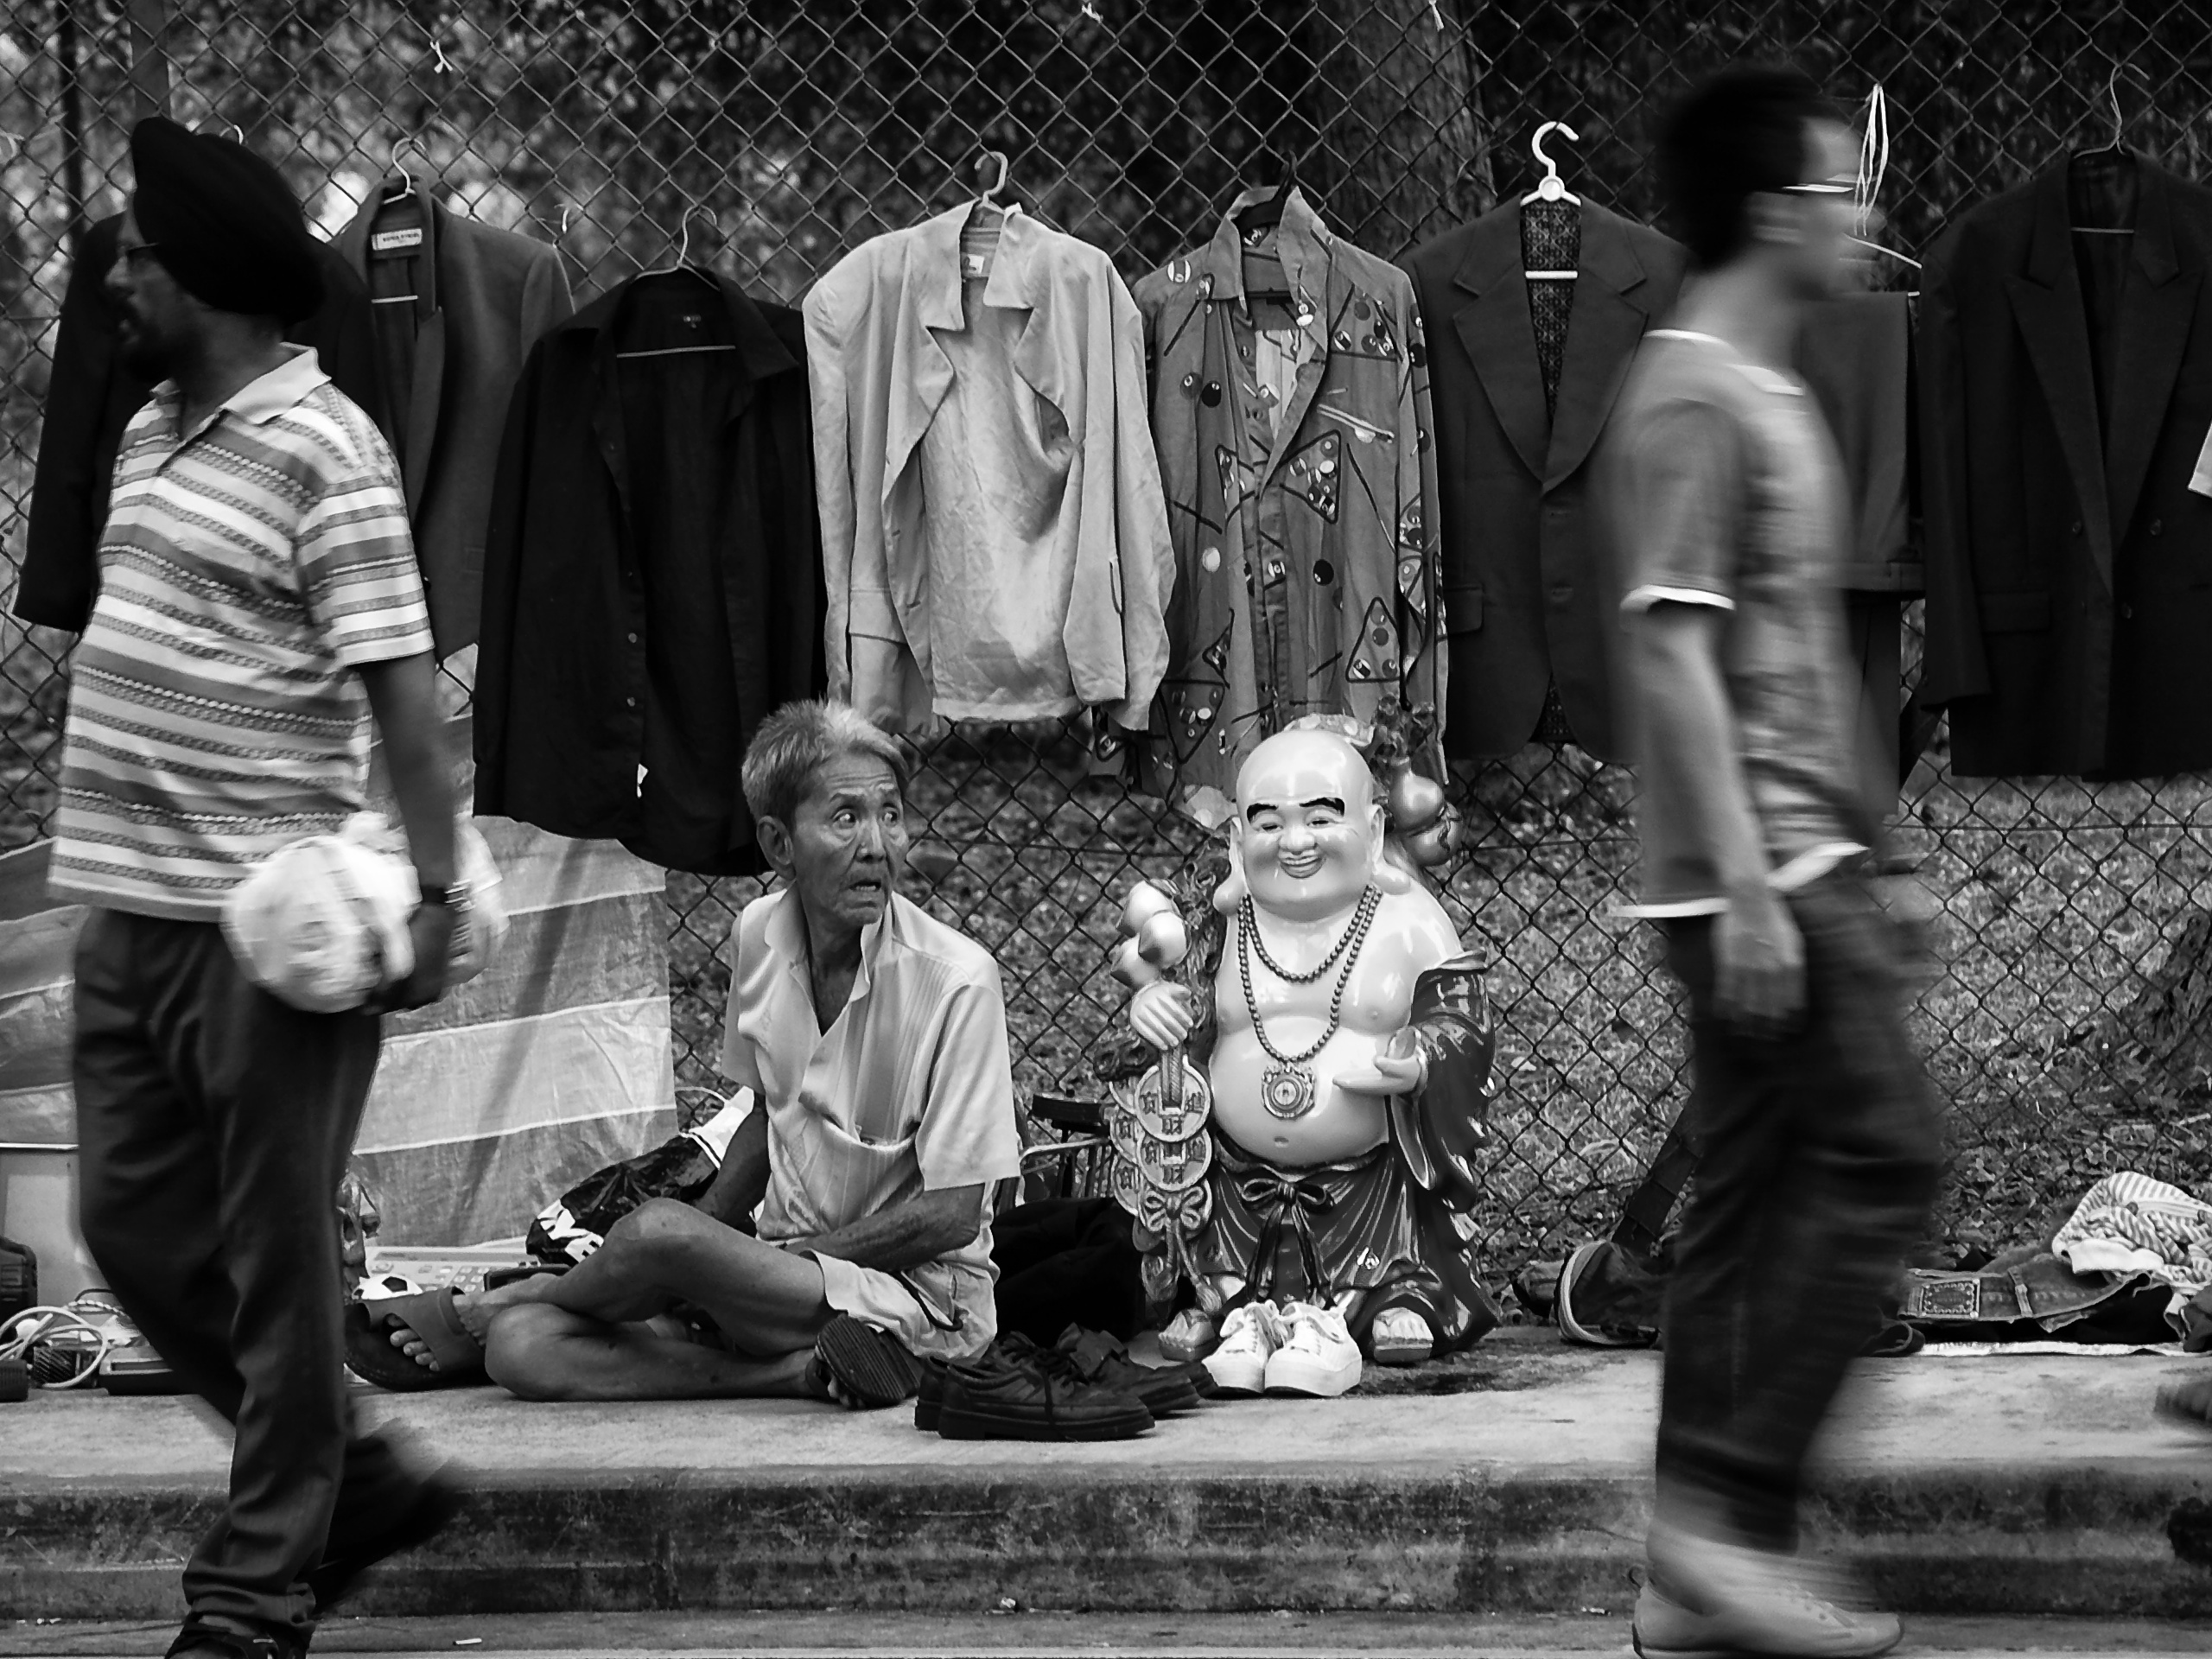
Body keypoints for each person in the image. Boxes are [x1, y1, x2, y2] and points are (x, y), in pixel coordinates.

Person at [53, 120, 462, 1659]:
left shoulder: (327, 449)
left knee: (277, 1265)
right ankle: (347, 1481)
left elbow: (409, 707)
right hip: (126, 920)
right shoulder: (153, 426)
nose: (120, 276)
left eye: (147, 253)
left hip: (265, 935)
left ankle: (257, 1588)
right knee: (132, 1231)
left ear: (214, 270)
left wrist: (429, 900)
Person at [1598, 67, 1944, 1659]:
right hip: (1759, 872)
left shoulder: (1765, 387)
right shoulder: (1688, 399)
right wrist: (1752, 883)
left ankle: (1692, 1576)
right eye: (1834, 188)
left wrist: (1881, 847)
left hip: (1806, 858)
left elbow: (1798, 660)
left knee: (1744, 1207)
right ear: (1767, 212)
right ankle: (1724, 1522)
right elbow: (1672, 660)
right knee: (1882, 1163)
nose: (1860, 212)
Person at [372, 700, 1023, 1403]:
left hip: (912, 1304)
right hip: (779, 1289)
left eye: (890, 814)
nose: (879, 845)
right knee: (522, 1350)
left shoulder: (959, 982)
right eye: (846, 818)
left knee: (653, 1232)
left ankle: (512, 1296)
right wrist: (713, 1259)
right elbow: (766, 1122)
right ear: (779, 845)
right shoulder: (758, 934)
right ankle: (795, 1374)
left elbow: (953, 1216)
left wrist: (733, 1262)